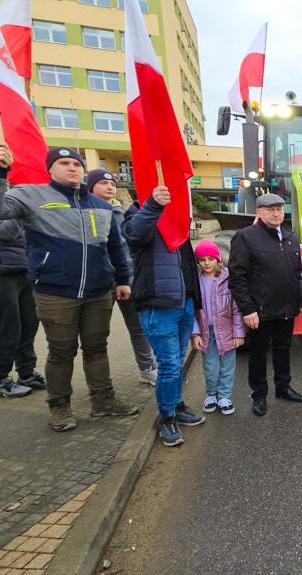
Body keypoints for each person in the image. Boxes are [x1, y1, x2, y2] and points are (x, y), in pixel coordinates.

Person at [0, 143, 137, 432]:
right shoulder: (31, 195)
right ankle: (59, 407)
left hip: (99, 290)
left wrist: (122, 278)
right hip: (55, 291)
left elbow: (114, 246)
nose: (72, 168)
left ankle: (103, 400)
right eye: (64, 164)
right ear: (50, 169)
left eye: (77, 165)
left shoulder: (99, 205)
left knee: (97, 347)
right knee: (61, 351)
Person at [122, 184, 205, 447]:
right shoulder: (138, 214)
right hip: (158, 305)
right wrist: (154, 205)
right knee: (168, 367)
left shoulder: (177, 218)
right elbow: (134, 236)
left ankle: (176, 405)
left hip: (184, 304)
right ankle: (166, 417)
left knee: (177, 362)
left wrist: (194, 301)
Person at [228, 193, 302, 417]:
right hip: (260, 310)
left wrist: (298, 300)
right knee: (259, 354)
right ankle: (259, 395)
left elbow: (296, 272)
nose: (276, 213)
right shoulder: (245, 237)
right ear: (259, 213)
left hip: (287, 307)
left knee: (283, 349)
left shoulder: (290, 236)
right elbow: (237, 277)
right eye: (270, 209)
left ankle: (283, 388)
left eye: (279, 209)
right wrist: (248, 309)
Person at [87, 169, 157, 386]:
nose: (109, 187)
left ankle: (147, 368)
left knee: (139, 327)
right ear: (91, 187)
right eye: (103, 183)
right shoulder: (86, 212)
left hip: (128, 279)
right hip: (100, 283)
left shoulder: (123, 213)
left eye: (112, 183)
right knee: (97, 334)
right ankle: (100, 383)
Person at [191, 240, 244, 416]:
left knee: (227, 366)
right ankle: (212, 394)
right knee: (210, 366)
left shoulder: (228, 279)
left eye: (211, 259)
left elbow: (236, 308)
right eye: (202, 259)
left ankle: (225, 396)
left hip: (227, 331)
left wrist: (238, 333)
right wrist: (195, 333)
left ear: (218, 259)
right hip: (207, 333)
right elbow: (192, 311)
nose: (207, 263)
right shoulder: (195, 281)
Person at [0, 217, 43, 398]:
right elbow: (8, 231)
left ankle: (26, 372)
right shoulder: (10, 212)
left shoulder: (9, 209)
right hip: (0, 274)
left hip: (23, 270)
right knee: (7, 329)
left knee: (28, 326)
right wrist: (21, 213)